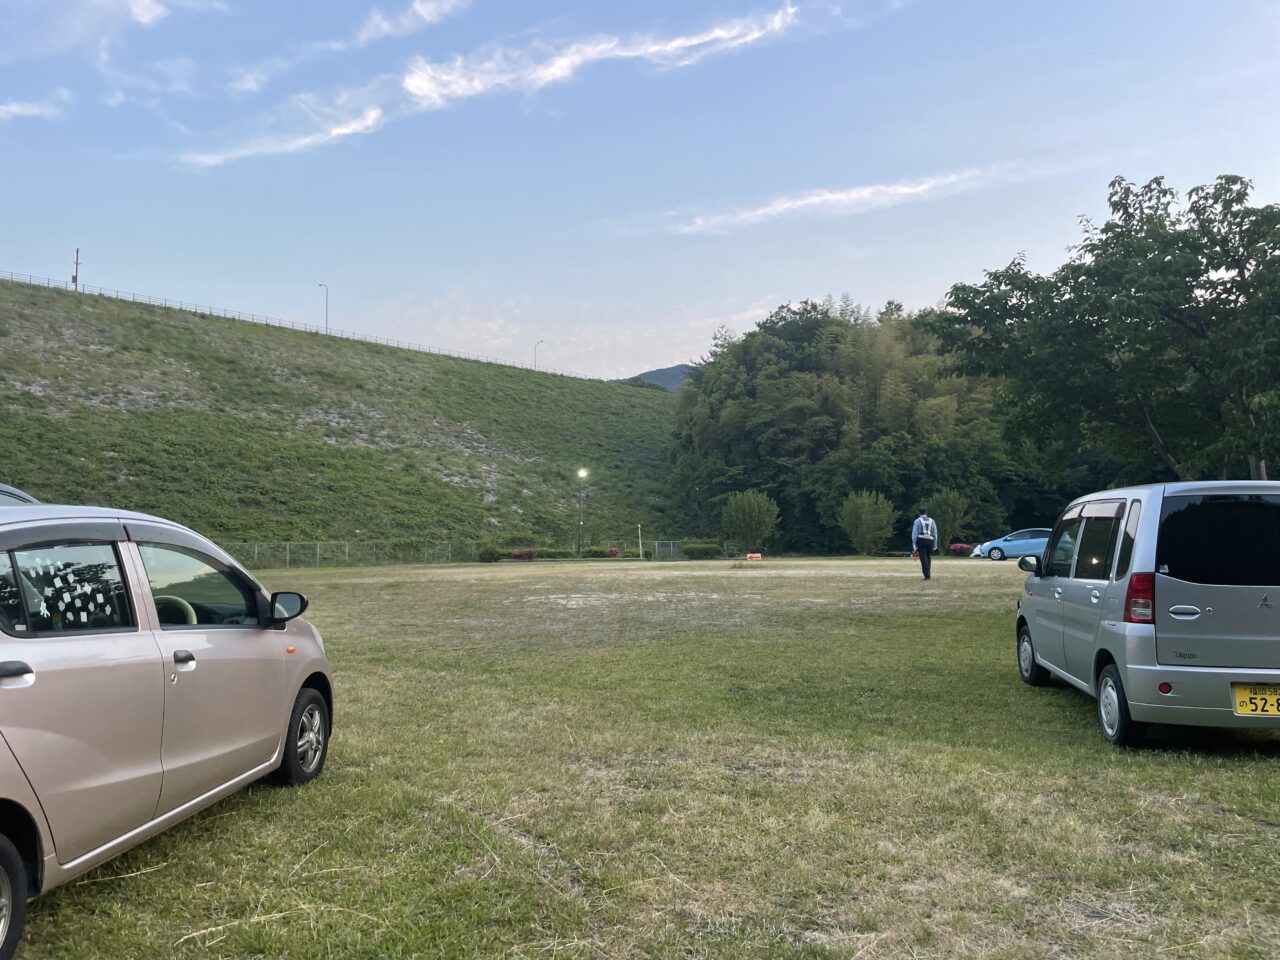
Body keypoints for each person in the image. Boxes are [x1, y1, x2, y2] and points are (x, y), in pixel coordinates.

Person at [911, 507, 937, 581]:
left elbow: (915, 534)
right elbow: (935, 533)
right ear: (926, 512)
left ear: (919, 513)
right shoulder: (932, 521)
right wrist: (935, 544)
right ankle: (928, 573)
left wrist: (914, 544)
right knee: (928, 557)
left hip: (921, 539)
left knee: (923, 558)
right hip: (930, 540)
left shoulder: (917, 521)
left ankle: (927, 575)